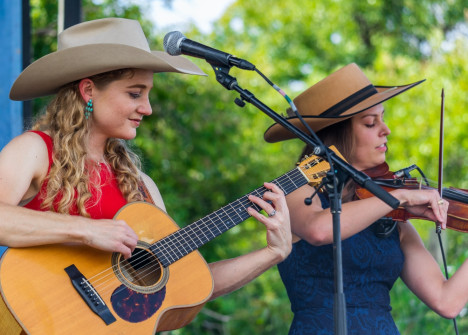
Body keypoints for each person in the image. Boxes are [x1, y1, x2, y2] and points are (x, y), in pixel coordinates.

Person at [0, 17, 291, 326]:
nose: (148, 108)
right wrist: (87, 230)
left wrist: (271, 253)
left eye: (148, 94)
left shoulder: (142, 187)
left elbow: (183, 290)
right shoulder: (35, 150)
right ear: (88, 90)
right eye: (135, 94)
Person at [263, 63, 466, 334]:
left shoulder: (393, 217)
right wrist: (400, 196)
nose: (386, 130)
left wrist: (396, 200)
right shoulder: (297, 191)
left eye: (382, 118)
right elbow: (320, 230)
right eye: (371, 122)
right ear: (336, 135)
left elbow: (447, 301)